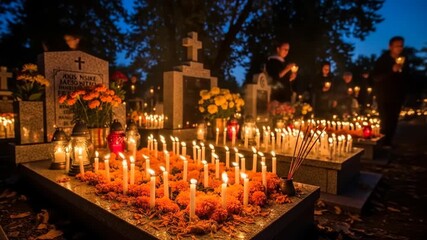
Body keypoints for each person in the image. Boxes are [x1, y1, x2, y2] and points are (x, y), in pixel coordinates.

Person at [372, 36, 408, 147]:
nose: (399, 48)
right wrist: (391, 70)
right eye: (397, 46)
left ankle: (388, 143)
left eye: (401, 46)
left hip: (397, 96)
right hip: (384, 96)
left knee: (393, 121)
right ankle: (381, 144)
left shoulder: (403, 60)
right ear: (390, 46)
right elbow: (376, 77)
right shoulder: (382, 60)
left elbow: (407, 78)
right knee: (385, 121)